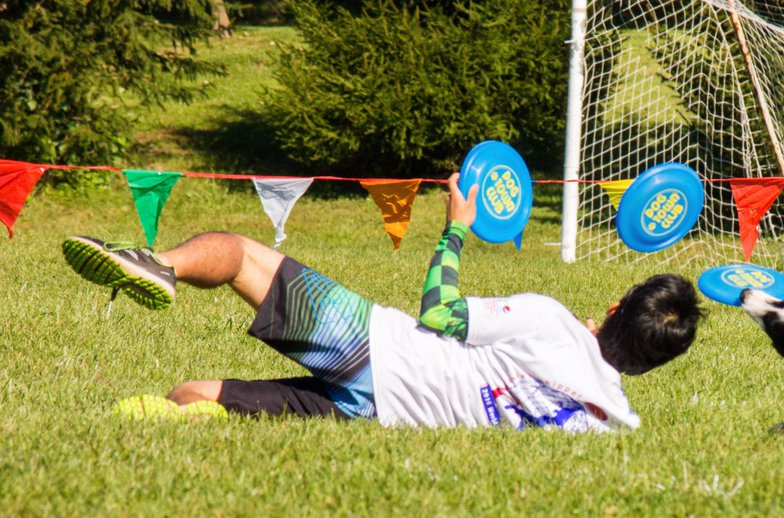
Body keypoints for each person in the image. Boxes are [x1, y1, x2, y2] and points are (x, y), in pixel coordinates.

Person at [62, 173, 703, 432]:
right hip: (377, 417)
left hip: (376, 349)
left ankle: (158, 265)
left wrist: (455, 225)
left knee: (239, 251)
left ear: (618, 307)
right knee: (194, 396)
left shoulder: (550, 320)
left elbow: (438, 313)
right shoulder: (611, 422)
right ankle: (153, 423)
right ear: (651, 366)